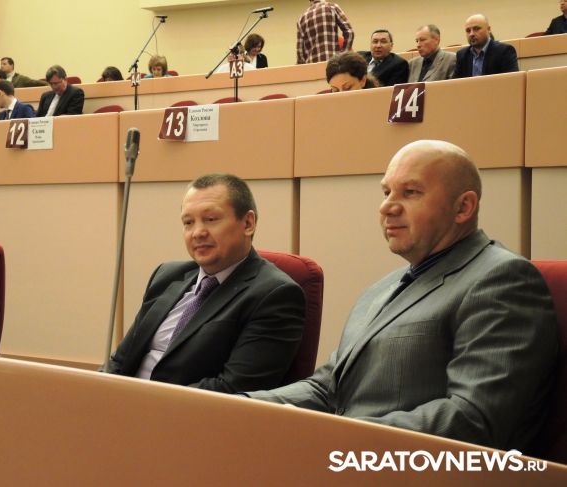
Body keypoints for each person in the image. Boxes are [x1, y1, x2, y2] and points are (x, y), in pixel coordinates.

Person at [245, 140, 559, 453]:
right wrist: (237, 407)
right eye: (386, 192)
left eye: (411, 192)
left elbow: (473, 421)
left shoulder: (503, 279)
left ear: (463, 207)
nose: (387, 207)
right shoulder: (381, 288)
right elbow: (327, 389)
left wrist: (335, 438)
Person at [102, 173, 306, 394]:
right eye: (188, 223)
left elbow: (233, 389)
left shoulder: (275, 295)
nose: (198, 233)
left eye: (211, 219)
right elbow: (120, 362)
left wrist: (144, 402)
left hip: (183, 412)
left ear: (248, 223)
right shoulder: (166, 275)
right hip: (123, 404)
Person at [453, 15, 519, 78]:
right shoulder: (462, 55)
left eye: (476, 29)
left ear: (488, 29)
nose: (471, 34)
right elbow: (454, 83)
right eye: (468, 31)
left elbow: (512, 81)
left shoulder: (504, 51)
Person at [297, 0, 353, 65]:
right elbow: (349, 31)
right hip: (332, 64)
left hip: (311, 66)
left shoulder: (301, 18)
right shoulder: (332, 7)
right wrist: (343, 56)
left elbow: (300, 54)